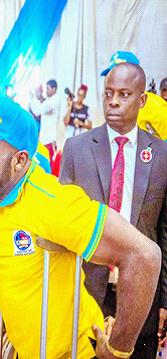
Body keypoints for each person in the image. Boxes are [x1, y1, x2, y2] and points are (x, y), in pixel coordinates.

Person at [0, 96, 161, 359]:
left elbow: (144, 256)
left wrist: (117, 350)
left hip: (70, 352)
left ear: (19, 160)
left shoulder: (51, 202)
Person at [60, 61, 167, 358]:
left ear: (142, 100)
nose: (114, 102)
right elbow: (62, 225)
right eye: (108, 94)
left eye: (124, 94)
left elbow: (164, 232)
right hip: (85, 291)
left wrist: (165, 301)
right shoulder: (76, 148)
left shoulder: (161, 155)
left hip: (142, 294)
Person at [30, 79, 61, 167]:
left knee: (49, 166)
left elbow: (40, 110)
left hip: (51, 139)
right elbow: (36, 112)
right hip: (43, 139)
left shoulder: (56, 100)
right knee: (42, 166)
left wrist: (35, 97)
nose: (46, 91)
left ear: (54, 89)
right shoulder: (48, 100)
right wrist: (34, 98)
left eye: (48, 89)